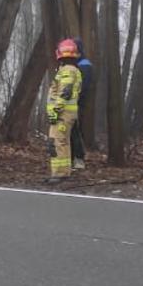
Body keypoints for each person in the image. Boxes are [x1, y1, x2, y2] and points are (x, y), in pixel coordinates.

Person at [46, 39, 84, 184]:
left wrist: (56, 110)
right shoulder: (72, 70)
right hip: (68, 113)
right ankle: (64, 171)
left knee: (55, 142)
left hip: (62, 113)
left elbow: (65, 92)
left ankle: (58, 174)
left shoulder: (67, 71)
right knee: (64, 142)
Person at [70, 40, 93, 171]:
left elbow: (83, 87)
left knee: (75, 131)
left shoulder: (84, 65)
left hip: (76, 104)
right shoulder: (72, 64)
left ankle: (79, 158)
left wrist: (75, 99)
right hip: (68, 103)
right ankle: (71, 158)